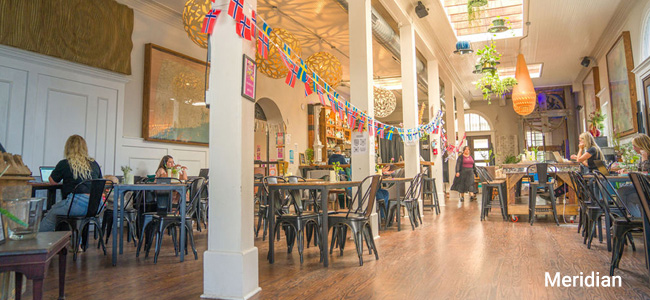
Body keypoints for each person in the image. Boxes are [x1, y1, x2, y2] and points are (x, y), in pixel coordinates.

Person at [40, 135, 102, 231]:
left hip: (76, 205)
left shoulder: (65, 163)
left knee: (51, 214)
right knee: (66, 211)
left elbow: (52, 181)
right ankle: (77, 242)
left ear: (68, 148)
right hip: (96, 206)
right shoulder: (94, 164)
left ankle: (42, 242)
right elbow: (99, 183)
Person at [616, 134, 650, 217]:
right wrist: (627, 171)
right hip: (643, 186)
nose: (634, 148)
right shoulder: (642, 157)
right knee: (622, 191)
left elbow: (645, 174)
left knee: (627, 195)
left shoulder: (645, 157)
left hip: (647, 187)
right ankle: (632, 221)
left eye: (635, 146)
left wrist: (645, 159)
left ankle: (627, 220)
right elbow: (639, 171)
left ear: (641, 145)